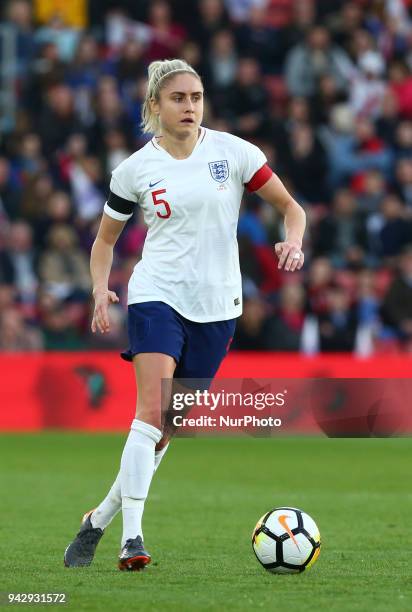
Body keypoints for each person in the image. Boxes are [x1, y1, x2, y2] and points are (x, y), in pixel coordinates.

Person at [63, 58, 306, 571]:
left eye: (196, 97)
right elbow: (104, 241)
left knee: (167, 428)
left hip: (218, 305)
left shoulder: (235, 153)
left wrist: (294, 241)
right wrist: (99, 288)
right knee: (151, 412)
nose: (190, 106)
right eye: (178, 98)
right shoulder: (134, 170)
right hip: (156, 294)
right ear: (155, 106)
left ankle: (97, 521)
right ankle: (133, 539)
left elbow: (292, 207)